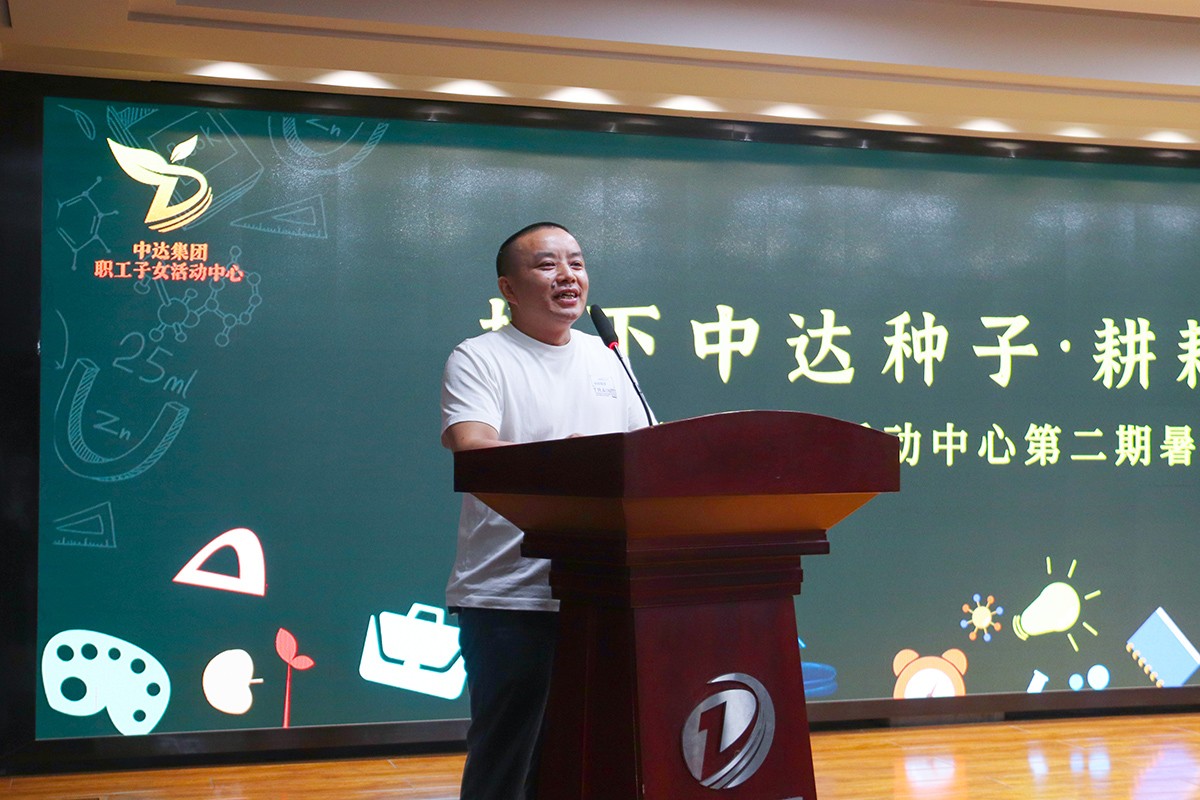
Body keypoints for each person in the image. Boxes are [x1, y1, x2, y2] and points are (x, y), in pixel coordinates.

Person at [440, 222, 651, 800]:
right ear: (508, 288)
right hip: (512, 593)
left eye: (576, 263)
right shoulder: (480, 357)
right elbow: (472, 446)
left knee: (591, 754)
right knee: (509, 758)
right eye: (547, 264)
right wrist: (569, 458)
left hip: (603, 587)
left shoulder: (608, 356)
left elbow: (645, 455)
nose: (568, 276)